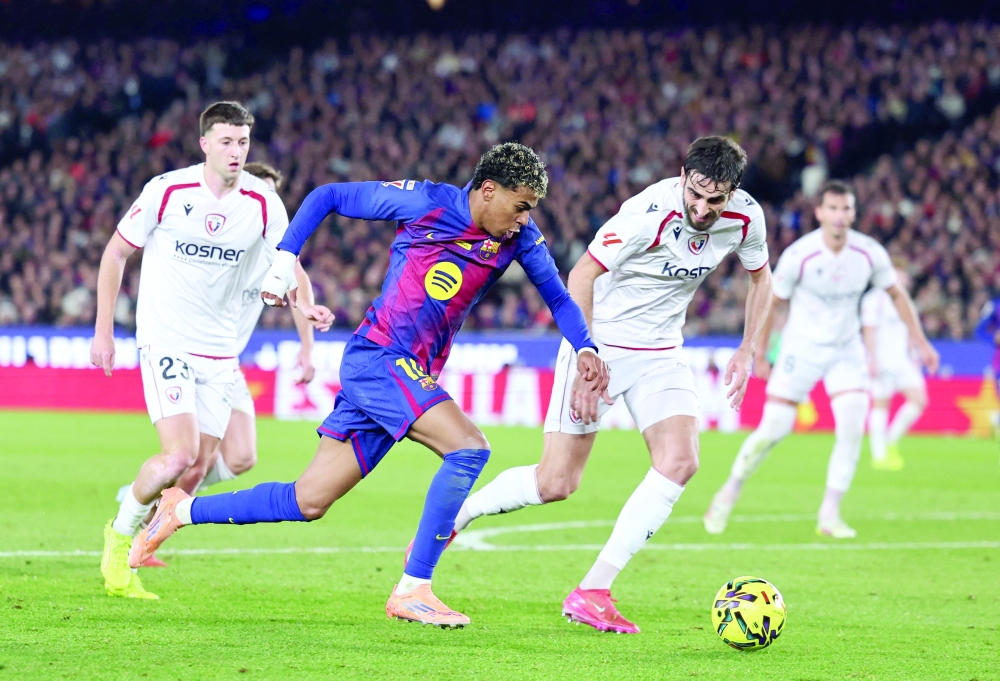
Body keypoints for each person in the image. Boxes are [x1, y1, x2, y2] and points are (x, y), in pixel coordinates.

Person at [129, 142, 611, 628]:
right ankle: (414, 588)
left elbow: (559, 297)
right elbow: (326, 196)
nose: (525, 220)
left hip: (406, 374)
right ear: (489, 190)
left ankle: (182, 509)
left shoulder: (519, 240)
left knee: (308, 500)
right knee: (468, 448)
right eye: (521, 206)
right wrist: (283, 259)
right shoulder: (426, 203)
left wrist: (586, 346)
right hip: (380, 359)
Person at [447, 136, 773, 633]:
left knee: (681, 461)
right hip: (601, 344)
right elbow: (581, 277)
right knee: (555, 483)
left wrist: (749, 349)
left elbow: (761, 278)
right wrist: (586, 359)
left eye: (716, 199)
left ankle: (593, 590)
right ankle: (454, 519)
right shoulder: (645, 213)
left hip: (662, 350)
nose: (703, 209)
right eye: (696, 194)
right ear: (684, 177)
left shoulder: (746, 219)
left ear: (733, 193)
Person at [91, 101, 331, 599]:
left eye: (243, 142)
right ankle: (119, 542)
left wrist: (304, 309)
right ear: (204, 143)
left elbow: (291, 271)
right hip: (168, 340)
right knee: (178, 455)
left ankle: (143, 532)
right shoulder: (167, 190)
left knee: (203, 465)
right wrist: (103, 331)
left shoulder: (264, 204)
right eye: (226, 141)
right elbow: (115, 252)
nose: (236, 151)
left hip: (222, 357)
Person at [704, 181, 939, 539]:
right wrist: (761, 350)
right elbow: (774, 301)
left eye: (846, 209)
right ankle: (728, 491)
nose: (840, 216)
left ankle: (829, 514)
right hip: (802, 350)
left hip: (847, 351)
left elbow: (897, 294)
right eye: (833, 208)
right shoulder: (802, 255)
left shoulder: (869, 253)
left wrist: (920, 341)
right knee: (773, 431)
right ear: (820, 213)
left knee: (850, 428)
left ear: (853, 213)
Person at [861, 256, 928, 471]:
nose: (903, 279)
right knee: (881, 405)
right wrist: (872, 359)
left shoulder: (905, 300)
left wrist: (915, 355)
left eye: (904, 276)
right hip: (881, 360)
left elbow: (908, 330)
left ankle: (890, 440)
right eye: (898, 274)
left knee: (919, 400)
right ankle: (879, 455)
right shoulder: (874, 299)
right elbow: (869, 331)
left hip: (902, 360)